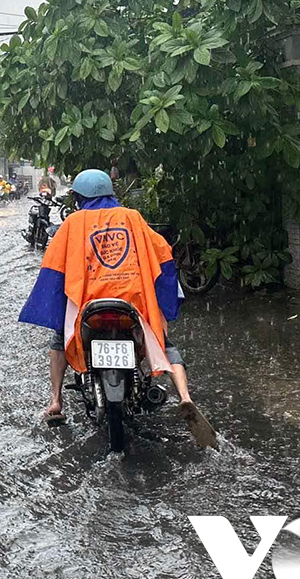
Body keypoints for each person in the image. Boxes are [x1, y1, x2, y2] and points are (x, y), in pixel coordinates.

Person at [18, 168, 217, 449]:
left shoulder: (73, 223)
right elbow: (161, 252)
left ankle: (55, 402)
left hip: (89, 306)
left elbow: (54, 269)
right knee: (162, 342)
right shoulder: (132, 218)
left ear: (80, 197)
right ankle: (185, 396)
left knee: (58, 339)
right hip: (132, 304)